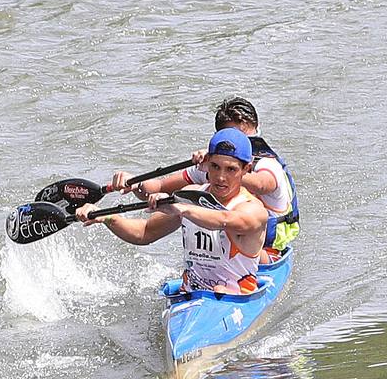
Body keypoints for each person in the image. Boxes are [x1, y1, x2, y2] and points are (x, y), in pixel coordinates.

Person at [77, 128, 269, 294]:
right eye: (215, 167)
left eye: (231, 170)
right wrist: (108, 217)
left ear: (246, 169)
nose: (220, 177)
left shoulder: (254, 210)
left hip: (234, 298)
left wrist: (182, 209)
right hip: (191, 296)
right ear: (206, 163)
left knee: (221, 290)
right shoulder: (189, 195)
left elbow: (225, 219)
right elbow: (145, 232)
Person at [111, 97, 299, 261]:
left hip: (266, 251)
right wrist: (136, 183)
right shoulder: (210, 168)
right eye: (231, 140)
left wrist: (219, 165)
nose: (242, 146)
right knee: (190, 194)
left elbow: (262, 185)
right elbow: (158, 187)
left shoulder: (267, 165)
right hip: (220, 251)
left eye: (248, 140)